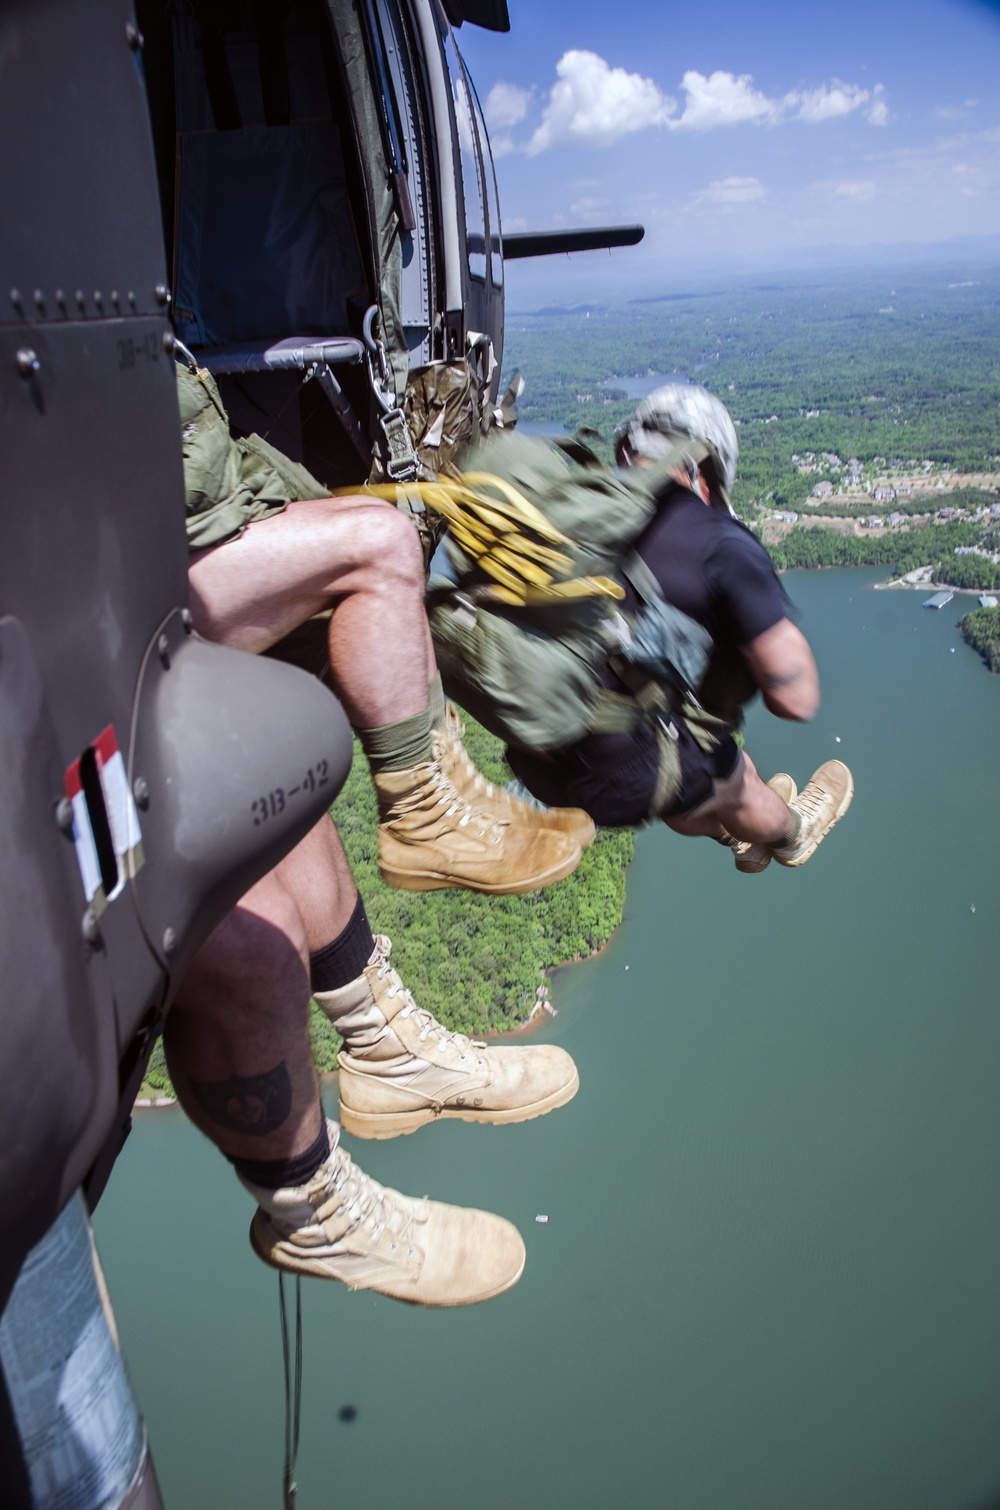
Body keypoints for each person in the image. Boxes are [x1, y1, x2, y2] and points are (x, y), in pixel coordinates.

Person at [166, 357, 587, 1302]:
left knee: (271, 789)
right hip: (94, 599)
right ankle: (313, 1213)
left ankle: (381, 1036)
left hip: (123, 567)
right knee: (248, 939)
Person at [505, 384, 853, 872]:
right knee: (727, 777)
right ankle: (793, 832)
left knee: (690, 743)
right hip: (626, 776)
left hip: (538, 758)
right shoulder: (718, 542)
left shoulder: (571, 508)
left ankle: (733, 832)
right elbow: (796, 699)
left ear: (628, 449)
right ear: (703, 471)